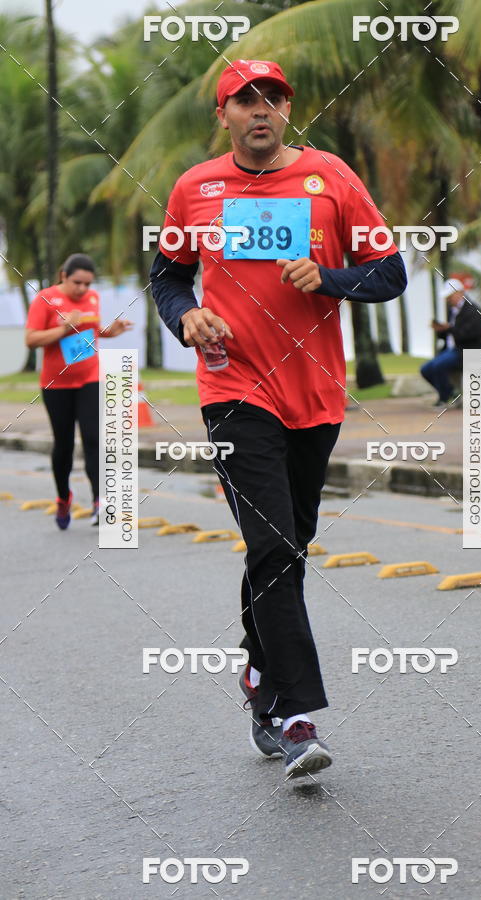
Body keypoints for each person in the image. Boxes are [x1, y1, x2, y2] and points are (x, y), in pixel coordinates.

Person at [150, 59, 407, 779]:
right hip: (233, 389)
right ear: (222, 114)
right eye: (245, 100)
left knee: (284, 548)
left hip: (315, 395)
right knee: (272, 545)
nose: (260, 110)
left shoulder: (332, 179)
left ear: (287, 110)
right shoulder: (194, 188)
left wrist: (328, 278)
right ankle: (297, 717)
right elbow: (167, 275)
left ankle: (259, 677)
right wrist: (186, 315)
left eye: (273, 98)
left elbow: (390, 274)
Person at [25, 253, 133, 529]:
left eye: (87, 283)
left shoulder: (93, 298)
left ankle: (100, 501)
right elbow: (31, 339)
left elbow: (92, 330)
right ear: (63, 275)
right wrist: (62, 328)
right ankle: (63, 497)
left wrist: (111, 331)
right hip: (56, 383)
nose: (83, 289)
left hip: (90, 377)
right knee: (64, 445)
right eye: (77, 283)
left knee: (94, 437)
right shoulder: (45, 299)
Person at [420, 276, 481, 406]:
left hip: (468, 351)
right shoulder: (453, 311)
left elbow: (470, 335)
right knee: (426, 369)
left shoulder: (473, 310)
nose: (449, 300)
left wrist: (449, 328)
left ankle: (443, 398)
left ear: (460, 293)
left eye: (450, 296)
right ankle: (450, 391)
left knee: (438, 366)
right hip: (453, 350)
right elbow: (451, 335)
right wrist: (441, 330)